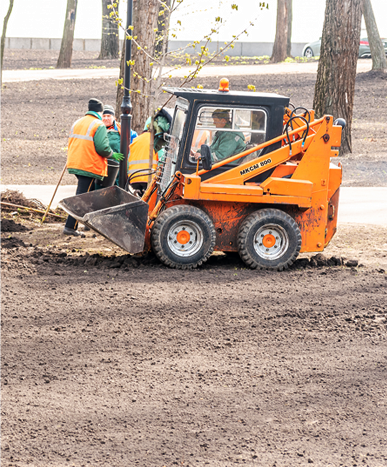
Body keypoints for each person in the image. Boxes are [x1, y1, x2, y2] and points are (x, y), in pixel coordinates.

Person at [63, 98, 123, 236]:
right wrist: (112, 155)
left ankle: (84, 224)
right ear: (100, 112)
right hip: (88, 165)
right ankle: (70, 227)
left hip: (76, 162)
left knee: (84, 195)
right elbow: (102, 147)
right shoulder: (98, 124)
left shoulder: (78, 122)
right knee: (81, 197)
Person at [128, 110, 171, 195]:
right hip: (149, 180)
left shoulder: (135, 140)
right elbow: (162, 161)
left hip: (133, 180)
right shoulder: (156, 142)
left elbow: (128, 162)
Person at [96, 104, 138, 188]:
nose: (106, 118)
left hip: (118, 167)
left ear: (114, 118)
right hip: (102, 166)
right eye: (104, 116)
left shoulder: (121, 128)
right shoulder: (97, 129)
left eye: (109, 116)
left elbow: (135, 140)